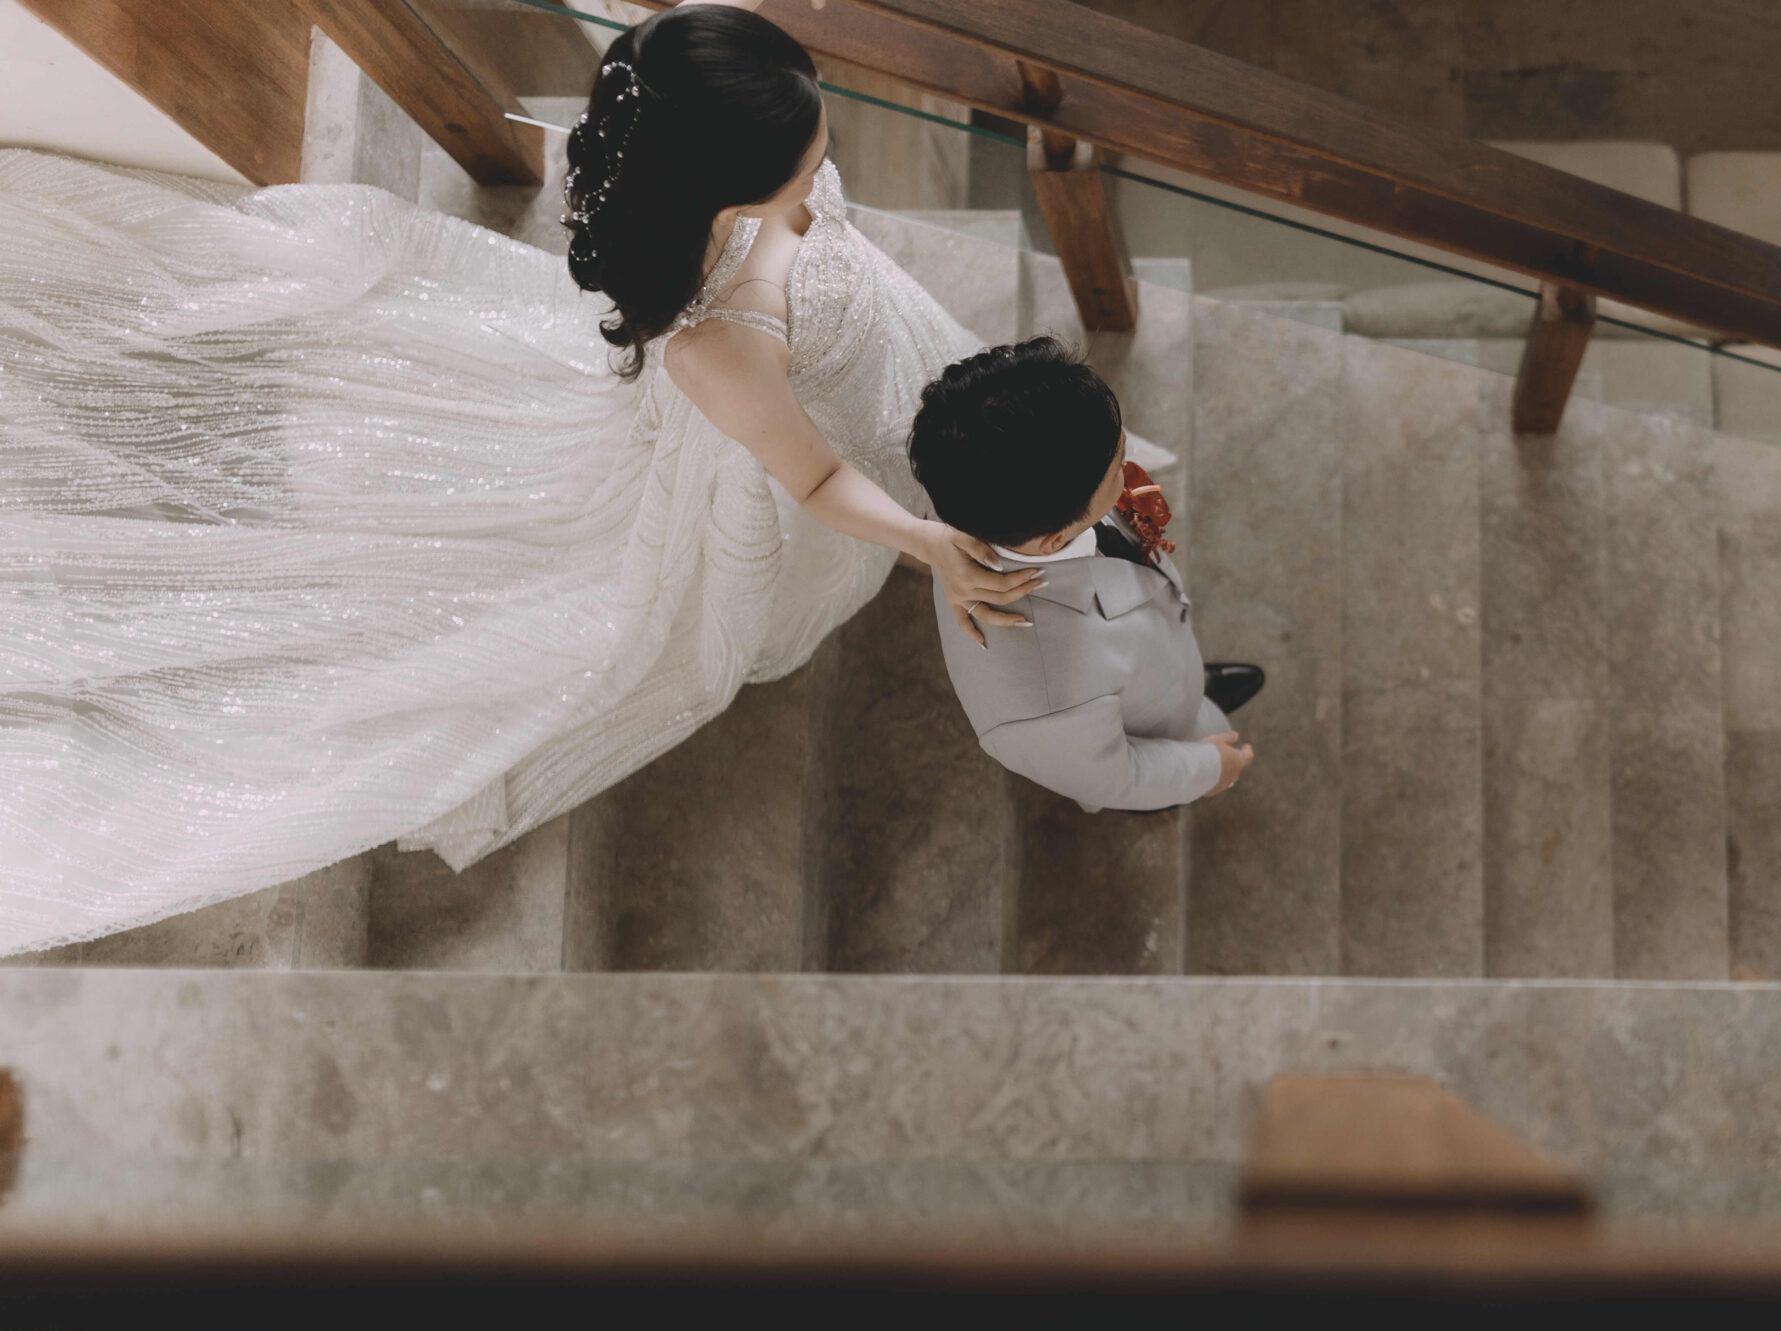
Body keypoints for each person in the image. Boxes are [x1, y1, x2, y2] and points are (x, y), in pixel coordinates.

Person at [0, 1, 1034, 958]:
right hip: (788, 436)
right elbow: (812, 480)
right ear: (723, 193)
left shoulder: (724, 156)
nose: (823, 180)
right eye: (803, 169)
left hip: (858, 352)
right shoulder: (721, 348)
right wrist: (925, 540)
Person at [907, 339, 1261, 814]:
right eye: (1116, 464)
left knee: (1167, 665)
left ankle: (1191, 686)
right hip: (1149, 737)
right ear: (1054, 538)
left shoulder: (983, 484)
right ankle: (1186, 708)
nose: (1127, 460)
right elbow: (1117, 778)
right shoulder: (1042, 701)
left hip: (1155, 672)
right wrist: (1209, 769)